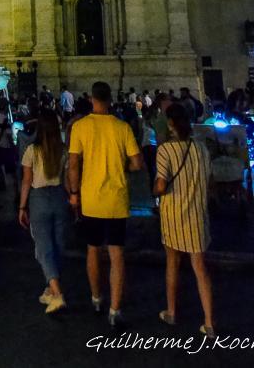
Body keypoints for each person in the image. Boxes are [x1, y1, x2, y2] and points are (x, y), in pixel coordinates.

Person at [68, 81, 143, 326]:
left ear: (91, 99)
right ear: (110, 99)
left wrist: (74, 193)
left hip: (91, 199)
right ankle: (115, 309)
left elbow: (73, 164)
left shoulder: (79, 127)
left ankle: (96, 298)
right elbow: (137, 163)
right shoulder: (122, 128)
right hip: (116, 199)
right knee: (116, 253)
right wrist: (123, 167)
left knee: (92, 249)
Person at [154, 102, 215, 336]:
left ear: (170, 124)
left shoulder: (165, 150)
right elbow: (210, 182)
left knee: (172, 262)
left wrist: (154, 190)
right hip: (197, 215)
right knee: (200, 268)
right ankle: (209, 321)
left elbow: (161, 185)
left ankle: (171, 311)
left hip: (173, 214)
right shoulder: (201, 149)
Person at [18, 108, 68, 313]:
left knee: (44, 247)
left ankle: (57, 294)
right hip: (59, 196)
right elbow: (67, 179)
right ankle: (50, 289)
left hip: (39, 199)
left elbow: (26, 181)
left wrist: (22, 206)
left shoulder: (32, 150)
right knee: (58, 245)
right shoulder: (63, 150)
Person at [0, 96, 18, 194]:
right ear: (5, 107)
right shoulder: (5, 119)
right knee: (11, 172)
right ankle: (15, 192)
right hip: (5, 149)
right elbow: (9, 136)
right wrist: (14, 148)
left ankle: (0, 187)